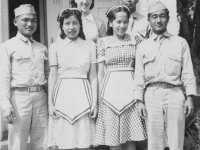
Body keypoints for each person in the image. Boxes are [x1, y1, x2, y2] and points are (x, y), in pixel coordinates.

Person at [134, 1, 197, 150]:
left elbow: (188, 72)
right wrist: (139, 100)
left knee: (176, 140)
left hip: (175, 93)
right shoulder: (143, 46)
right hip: (152, 95)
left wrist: (190, 98)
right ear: (149, 20)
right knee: (155, 142)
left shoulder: (180, 43)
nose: (158, 20)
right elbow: (139, 76)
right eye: (154, 17)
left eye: (162, 16)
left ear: (168, 18)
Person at [95, 5, 147, 150]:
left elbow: (140, 69)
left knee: (131, 140)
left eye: (125, 22)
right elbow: (100, 73)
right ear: (111, 22)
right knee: (115, 141)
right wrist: (100, 99)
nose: (122, 25)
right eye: (118, 22)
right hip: (109, 95)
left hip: (130, 93)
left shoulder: (135, 40)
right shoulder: (102, 42)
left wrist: (140, 96)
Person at [0, 4, 49, 150]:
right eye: (25, 20)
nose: (30, 24)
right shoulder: (7, 46)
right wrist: (5, 105)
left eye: (33, 20)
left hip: (41, 98)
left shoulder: (42, 48)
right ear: (15, 22)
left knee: (43, 141)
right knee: (17, 143)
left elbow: (48, 75)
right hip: (19, 98)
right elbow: (4, 77)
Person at [48, 8, 97, 150]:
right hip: (62, 96)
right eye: (67, 23)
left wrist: (94, 102)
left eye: (75, 23)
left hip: (83, 95)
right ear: (62, 26)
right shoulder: (55, 47)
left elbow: (93, 75)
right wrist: (50, 104)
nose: (71, 27)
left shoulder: (90, 45)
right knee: (64, 143)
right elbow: (52, 75)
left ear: (80, 25)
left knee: (83, 142)